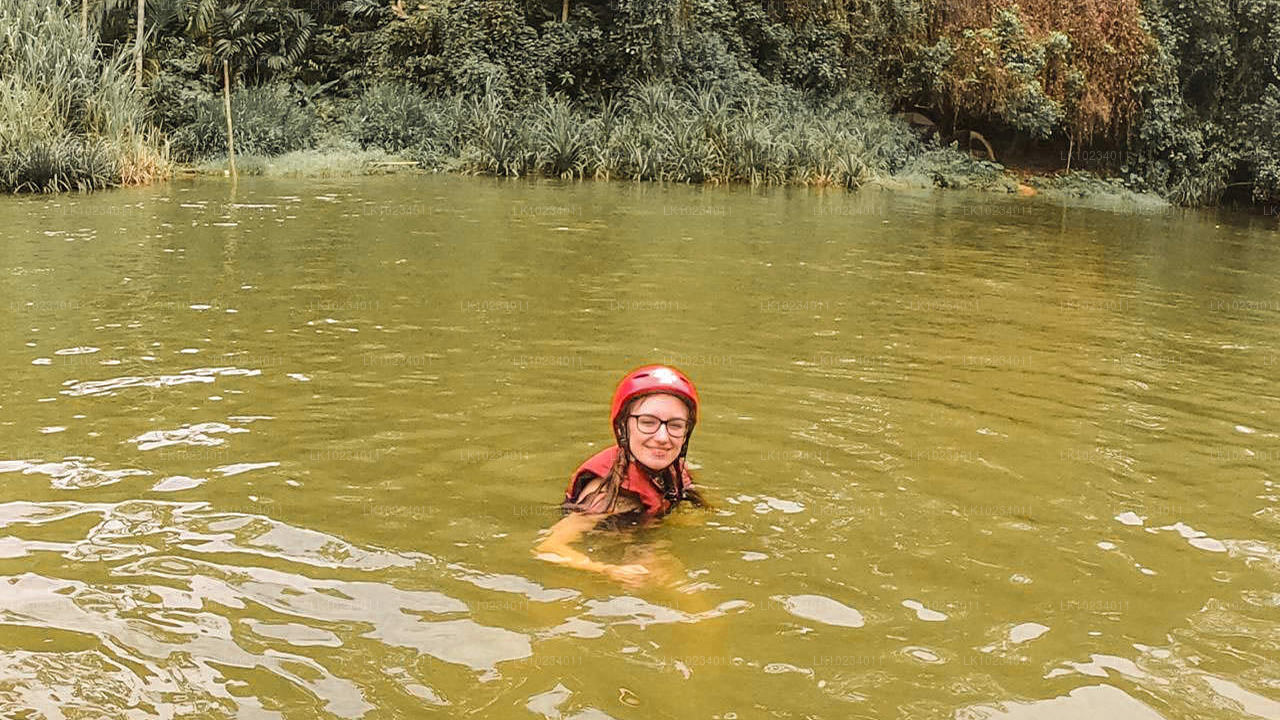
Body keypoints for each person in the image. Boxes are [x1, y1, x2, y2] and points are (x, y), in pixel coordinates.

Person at [534, 364, 709, 584]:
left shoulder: (674, 471)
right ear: (623, 428)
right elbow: (548, 548)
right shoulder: (607, 494)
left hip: (642, 538)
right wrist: (608, 570)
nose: (663, 437)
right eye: (647, 423)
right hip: (612, 559)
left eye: (675, 425)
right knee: (672, 576)